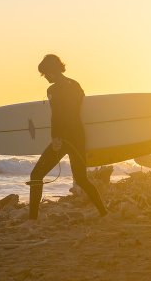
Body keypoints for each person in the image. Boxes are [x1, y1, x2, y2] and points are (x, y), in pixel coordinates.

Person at [27, 54, 107, 220]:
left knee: (36, 175)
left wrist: (56, 137)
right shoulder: (76, 85)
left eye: (44, 74)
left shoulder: (53, 90)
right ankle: (104, 213)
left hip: (64, 138)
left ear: (51, 71)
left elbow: (58, 115)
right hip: (78, 137)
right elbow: (76, 111)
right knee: (81, 178)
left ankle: (32, 220)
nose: (45, 77)